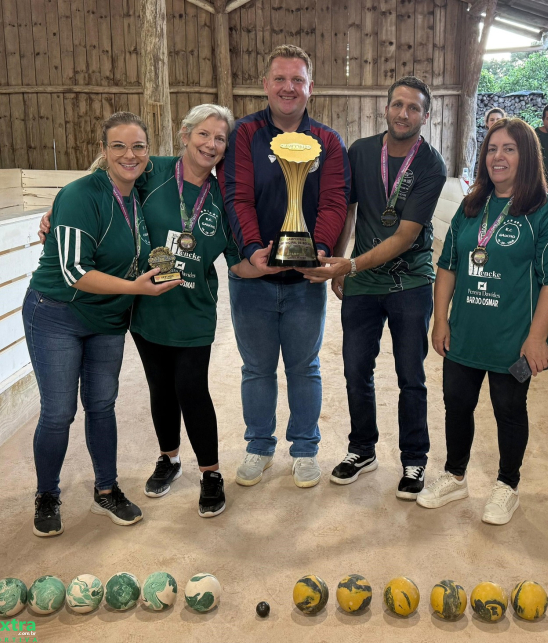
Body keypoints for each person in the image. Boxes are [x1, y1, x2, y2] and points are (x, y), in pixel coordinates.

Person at [26, 112, 181, 537]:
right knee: (59, 412)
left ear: (148, 154)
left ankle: (106, 489)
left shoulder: (138, 193)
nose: (129, 155)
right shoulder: (80, 194)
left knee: (102, 406)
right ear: (104, 150)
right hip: (58, 313)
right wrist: (138, 289)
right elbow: (75, 271)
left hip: (109, 317)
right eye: (118, 146)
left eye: (138, 147)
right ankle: (46, 494)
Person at [298, 76, 447, 498]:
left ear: (425, 115)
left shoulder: (431, 164)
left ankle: (414, 460)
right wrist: (341, 263)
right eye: (397, 104)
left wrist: (350, 263)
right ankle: (362, 449)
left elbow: (403, 236)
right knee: (355, 370)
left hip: (410, 281)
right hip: (362, 281)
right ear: (385, 108)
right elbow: (348, 211)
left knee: (410, 375)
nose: (404, 113)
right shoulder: (361, 152)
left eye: (413, 108)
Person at [416, 118, 548, 525]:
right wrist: (441, 320)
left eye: (509, 149)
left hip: (513, 337)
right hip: (466, 330)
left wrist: (537, 338)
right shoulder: (472, 205)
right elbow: (447, 266)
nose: (498, 157)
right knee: (457, 405)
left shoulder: (547, 212)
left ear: (527, 156)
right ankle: (454, 475)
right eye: (491, 149)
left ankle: (507, 485)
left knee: (508, 409)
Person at [221, 45, 351, 489]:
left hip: (304, 281)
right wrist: (254, 250)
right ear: (265, 85)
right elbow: (236, 195)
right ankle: (258, 445)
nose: (288, 87)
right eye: (280, 78)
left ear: (310, 87)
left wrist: (319, 249)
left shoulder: (329, 142)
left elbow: (334, 200)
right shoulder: (244, 134)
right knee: (256, 368)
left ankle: (304, 449)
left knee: (304, 366)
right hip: (254, 280)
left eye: (297, 79)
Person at [129, 104, 264, 518]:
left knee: (191, 388)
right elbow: (103, 188)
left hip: (194, 309)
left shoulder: (226, 196)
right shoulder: (150, 172)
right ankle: (169, 460)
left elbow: (235, 259)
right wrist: (55, 211)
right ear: (184, 134)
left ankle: (210, 474)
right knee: (160, 389)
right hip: (149, 307)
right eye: (203, 134)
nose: (211, 144)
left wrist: (263, 266)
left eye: (219, 138)